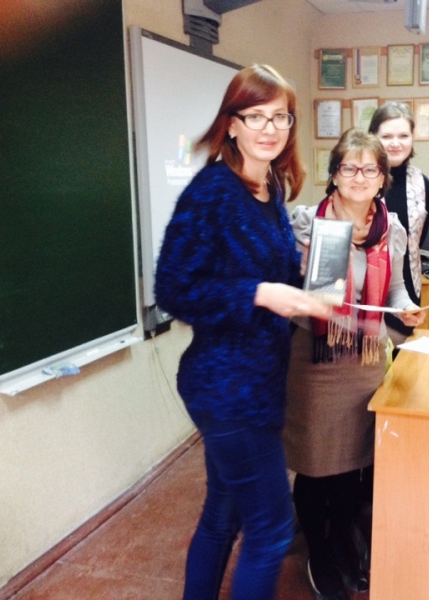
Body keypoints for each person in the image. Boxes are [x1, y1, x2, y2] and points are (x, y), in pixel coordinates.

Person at [154, 64, 330, 600]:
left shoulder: (268, 188)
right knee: (271, 531)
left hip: (258, 384)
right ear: (231, 124)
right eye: (255, 116)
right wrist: (257, 294)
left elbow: (268, 273)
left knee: (222, 514)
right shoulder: (212, 191)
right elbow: (173, 290)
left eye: (280, 116)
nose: (269, 128)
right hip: (227, 389)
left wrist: (306, 283)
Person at [284, 129, 425, 600]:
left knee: (352, 466)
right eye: (349, 167)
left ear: (383, 178)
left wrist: (406, 308)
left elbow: (395, 290)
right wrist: (306, 284)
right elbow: (293, 291)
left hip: (365, 360)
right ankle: (319, 555)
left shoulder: (390, 228)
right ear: (334, 175)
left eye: (370, 168)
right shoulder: (308, 223)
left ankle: (342, 541)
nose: (359, 177)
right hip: (318, 359)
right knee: (316, 465)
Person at [368, 102, 429, 347]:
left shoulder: (422, 183)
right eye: (387, 136)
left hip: (407, 291)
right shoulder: (362, 179)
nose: (395, 143)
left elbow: (416, 239)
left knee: (401, 359)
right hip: (368, 293)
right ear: (373, 137)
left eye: (403, 136)